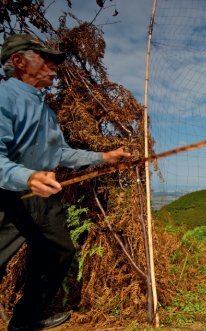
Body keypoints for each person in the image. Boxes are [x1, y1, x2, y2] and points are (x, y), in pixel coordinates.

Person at [0, 34, 131, 331]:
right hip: (7, 195)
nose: (53, 66)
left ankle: (25, 320)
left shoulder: (46, 111)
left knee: (58, 253)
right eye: (44, 59)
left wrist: (103, 157)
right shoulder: (4, 98)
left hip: (42, 197)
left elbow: (59, 152)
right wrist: (27, 176)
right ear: (19, 62)